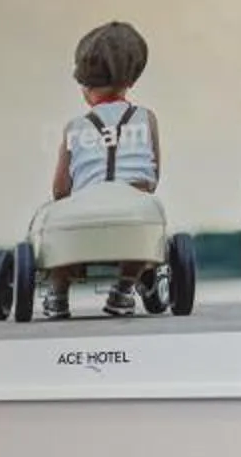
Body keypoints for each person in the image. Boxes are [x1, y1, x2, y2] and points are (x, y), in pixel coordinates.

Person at [42, 21, 165, 319]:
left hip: (85, 211)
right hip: (132, 211)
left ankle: (58, 294)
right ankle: (123, 290)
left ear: (84, 86)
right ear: (131, 79)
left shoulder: (75, 127)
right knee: (145, 225)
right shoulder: (146, 118)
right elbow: (153, 177)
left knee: (59, 230)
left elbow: (60, 190)